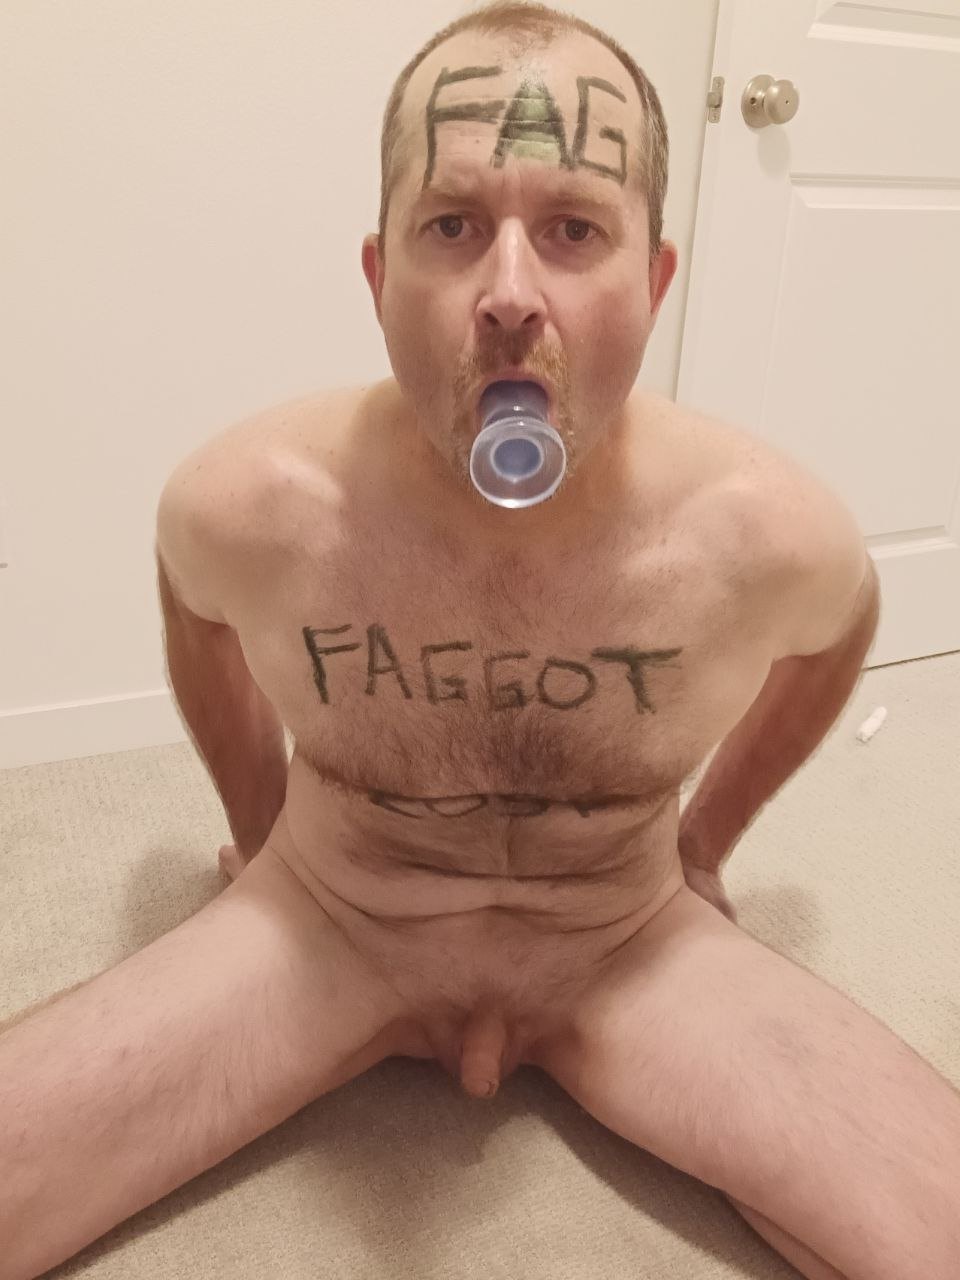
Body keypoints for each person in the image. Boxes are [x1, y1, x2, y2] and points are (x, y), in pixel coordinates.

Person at [2, 4, 958, 1278]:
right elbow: (194, 603)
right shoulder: (251, 501)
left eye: (574, 230)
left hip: (628, 935)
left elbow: (840, 635)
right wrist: (259, 819)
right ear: (378, 274)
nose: (510, 295)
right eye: (452, 226)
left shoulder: (765, 530)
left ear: (655, 281)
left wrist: (705, 844)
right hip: (331, 911)